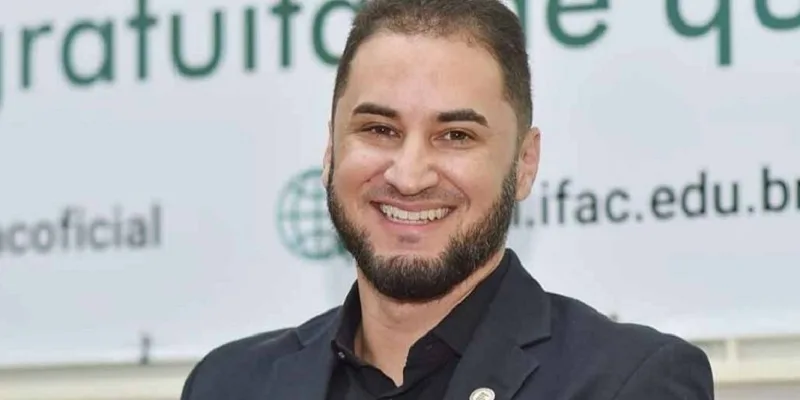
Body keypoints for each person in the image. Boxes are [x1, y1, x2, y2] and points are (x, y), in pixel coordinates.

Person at [180, 0, 715, 399]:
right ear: (330, 149)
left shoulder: (628, 382)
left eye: (456, 136)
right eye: (379, 129)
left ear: (524, 164)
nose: (409, 176)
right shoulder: (229, 384)